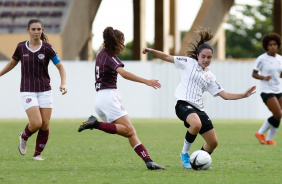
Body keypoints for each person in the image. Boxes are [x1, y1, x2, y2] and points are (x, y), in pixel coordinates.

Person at [142, 27, 256, 169]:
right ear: (197, 55)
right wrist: (151, 51)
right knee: (195, 124)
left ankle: (198, 161)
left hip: (198, 108)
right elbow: (166, 57)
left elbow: (225, 95)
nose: (206, 60)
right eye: (203, 56)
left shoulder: (210, 76)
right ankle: (184, 154)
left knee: (213, 143)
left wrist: (243, 95)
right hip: (182, 103)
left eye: (209, 57)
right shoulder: (188, 62)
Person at [77, 26, 165, 170]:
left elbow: (104, 45)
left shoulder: (101, 53)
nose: (123, 46)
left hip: (101, 98)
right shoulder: (110, 58)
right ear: (116, 43)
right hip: (108, 97)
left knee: (130, 131)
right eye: (122, 43)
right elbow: (124, 74)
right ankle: (94, 124)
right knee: (129, 131)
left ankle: (148, 161)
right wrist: (147, 81)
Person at [0, 18, 67, 160]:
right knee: (36, 123)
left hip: (45, 90)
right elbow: (12, 63)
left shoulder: (48, 48)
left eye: (39, 29)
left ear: (42, 31)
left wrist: (63, 83)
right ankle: (24, 136)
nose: (36, 32)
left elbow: (60, 66)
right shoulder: (21, 47)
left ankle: (37, 155)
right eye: (33, 29)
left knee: (45, 124)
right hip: (28, 90)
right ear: (28, 31)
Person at [253, 33, 282, 145]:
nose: (273, 46)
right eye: (270, 45)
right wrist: (263, 77)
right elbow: (254, 74)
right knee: (278, 114)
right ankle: (260, 132)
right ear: (266, 46)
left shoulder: (280, 59)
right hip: (266, 91)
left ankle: (269, 139)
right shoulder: (262, 59)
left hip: (278, 90)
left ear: (278, 45)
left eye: (275, 44)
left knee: (279, 115)